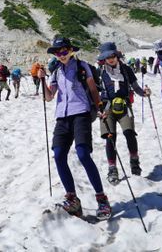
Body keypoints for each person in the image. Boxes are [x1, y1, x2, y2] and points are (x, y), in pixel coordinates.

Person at [39, 36, 111, 220]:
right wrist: (41, 80)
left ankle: (101, 199)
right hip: (62, 117)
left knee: (83, 154)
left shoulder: (82, 66)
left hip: (81, 113)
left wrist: (100, 107)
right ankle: (72, 198)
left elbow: (93, 89)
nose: (61, 55)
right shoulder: (55, 72)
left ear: (71, 50)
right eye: (57, 52)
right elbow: (49, 97)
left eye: (64, 51)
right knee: (59, 155)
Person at [96, 43, 150, 183]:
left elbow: (136, 87)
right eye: (107, 57)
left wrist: (144, 93)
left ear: (116, 55)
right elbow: (94, 91)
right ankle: (112, 168)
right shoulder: (100, 72)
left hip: (125, 106)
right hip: (107, 108)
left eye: (112, 56)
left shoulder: (126, 69)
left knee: (129, 133)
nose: (111, 59)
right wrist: (96, 108)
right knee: (110, 137)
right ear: (104, 59)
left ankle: (134, 162)